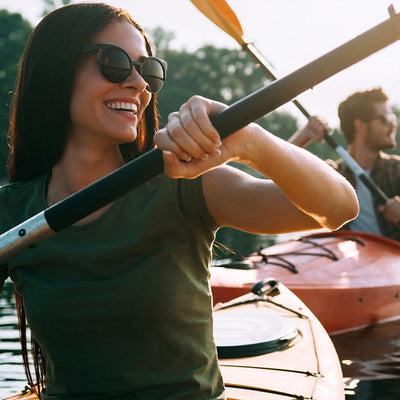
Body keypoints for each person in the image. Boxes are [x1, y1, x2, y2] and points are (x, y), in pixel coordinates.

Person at [0, 3, 358, 400]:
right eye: (115, 63)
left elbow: (340, 208)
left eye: (148, 70)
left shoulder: (184, 183)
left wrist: (250, 142)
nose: (139, 84)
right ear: (55, 71)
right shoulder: (13, 213)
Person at [289, 87, 400, 241]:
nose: (393, 125)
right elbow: (277, 177)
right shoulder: (332, 175)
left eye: (393, 119)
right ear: (360, 126)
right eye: (386, 119)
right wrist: (304, 135)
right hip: (348, 261)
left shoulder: (396, 169)